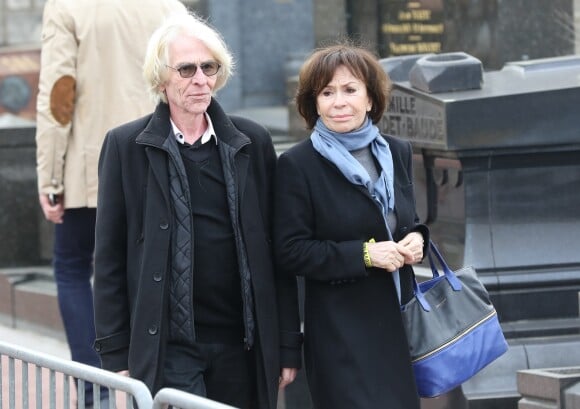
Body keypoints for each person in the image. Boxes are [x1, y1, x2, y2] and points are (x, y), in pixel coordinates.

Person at [92, 12, 302, 409]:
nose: (200, 79)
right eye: (186, 69)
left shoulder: (251, 142)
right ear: (161, 78)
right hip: (169, 346)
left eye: (209, 67)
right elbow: (109, 258)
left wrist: (287, 342)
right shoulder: (126, 146)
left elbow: (276, 252)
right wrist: (115, 352)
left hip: (244, 343)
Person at [35, 0, 187, 405]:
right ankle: (157, 388)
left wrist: (49, 175)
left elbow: (58, 93)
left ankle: (95, 390)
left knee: (71, 266)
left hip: (90, 165)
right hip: (159, 156)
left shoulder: (67, 7)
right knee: (156, 268)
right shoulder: (167, 5)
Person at [273, 42, 430, 409]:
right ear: (313, 104)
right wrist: (363, 255)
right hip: (341, 334)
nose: (338, 102)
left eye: (349, 89)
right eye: (326, 93)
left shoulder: (398, 151)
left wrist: (417, 238)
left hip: (401, 323)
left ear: (371, 99)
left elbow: (409, 220)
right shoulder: (298, 165)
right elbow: (289, 250)